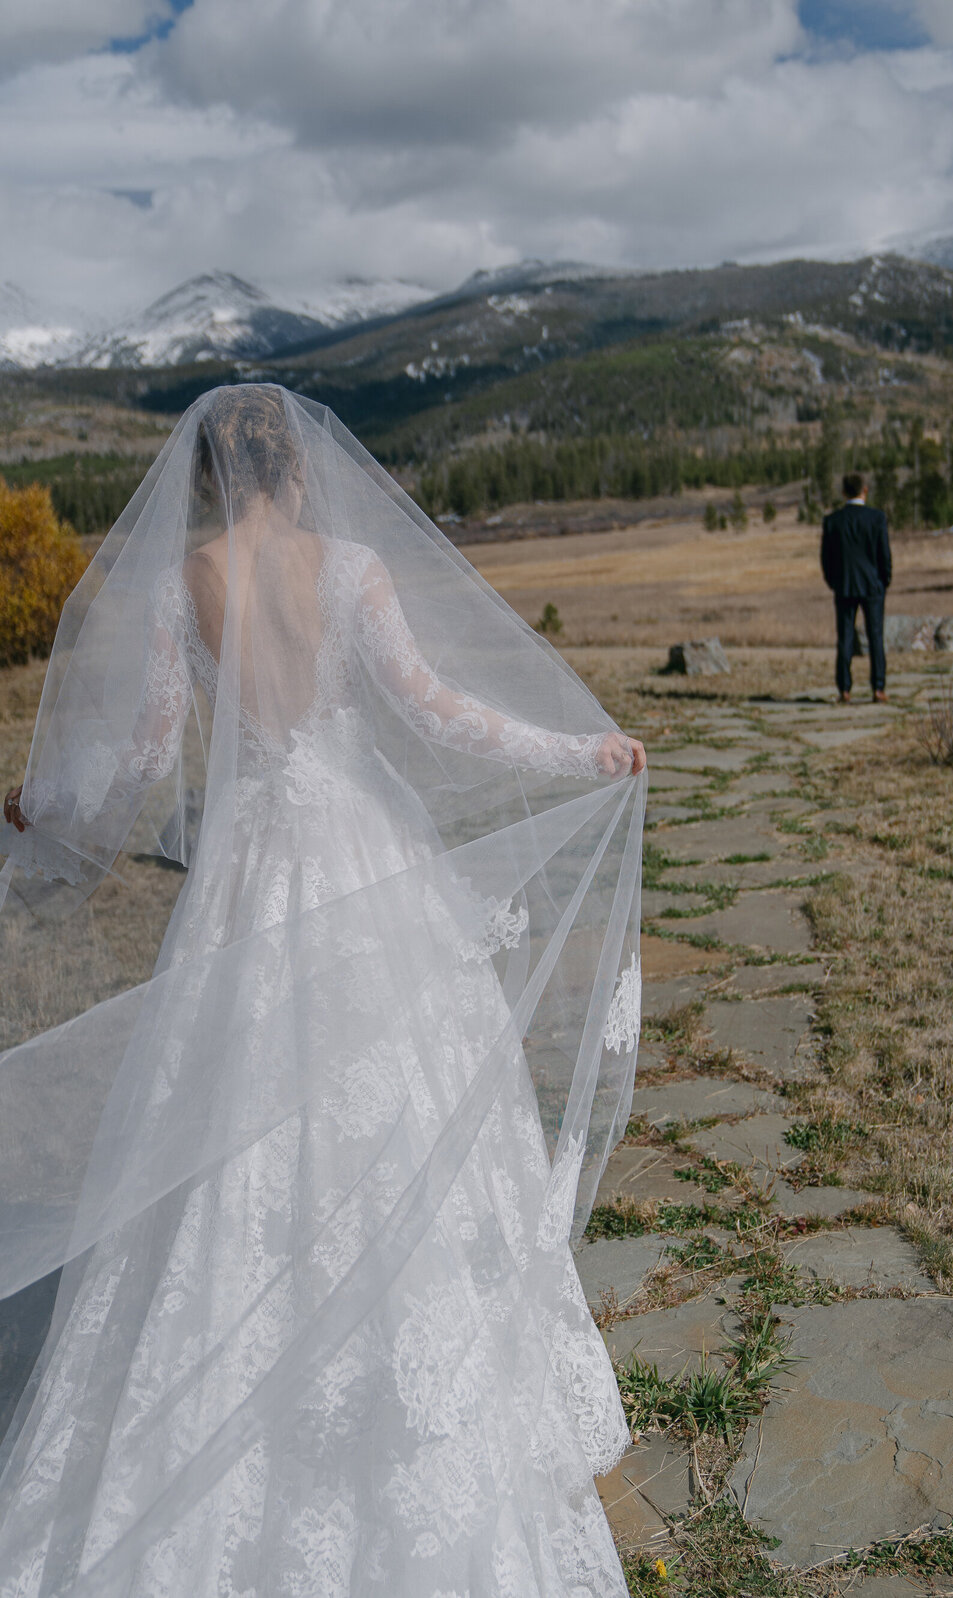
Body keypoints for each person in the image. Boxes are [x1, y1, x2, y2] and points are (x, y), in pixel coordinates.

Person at [0, 385, 646, 1597]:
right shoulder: (350, 571)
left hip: (245, 881)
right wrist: (584, 751)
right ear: (299, 471)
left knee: (224, 1138)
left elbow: (140, 760)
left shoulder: (179, 581)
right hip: (366, 867)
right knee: (400, 1118)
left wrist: (43, 805)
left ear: (207, 481)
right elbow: (439, 715)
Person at [820, 471, 892, 703]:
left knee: (845, 638)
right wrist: (884, 581)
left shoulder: (832, 521)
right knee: (876, 637)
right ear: (865, 490)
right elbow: (884, 555)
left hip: (845, 585)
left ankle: (844, 689)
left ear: (843, 493)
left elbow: (826, 559)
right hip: (872, 586)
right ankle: (878, 688)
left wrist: (834, 582)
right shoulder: (877, 518)